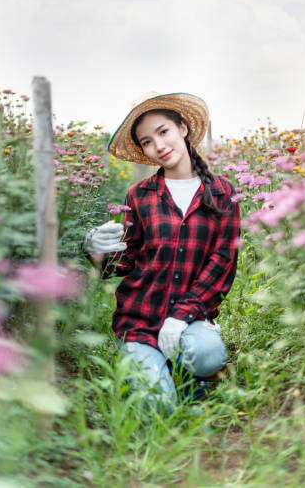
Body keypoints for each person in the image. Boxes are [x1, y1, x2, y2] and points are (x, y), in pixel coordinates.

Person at [84, 92, 240, 411]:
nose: (158, 145)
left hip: (189, 319)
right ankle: (155, 368)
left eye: (163, 131)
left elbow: (222, 263)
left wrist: (181, 317)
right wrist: (95, 249)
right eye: (146, 141)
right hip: (139, 321)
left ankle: (191, 371)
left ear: (182, 128)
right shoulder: (139, 195)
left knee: (208, 352)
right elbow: (123, 263)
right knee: (159, 408)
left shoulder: (222, 192)